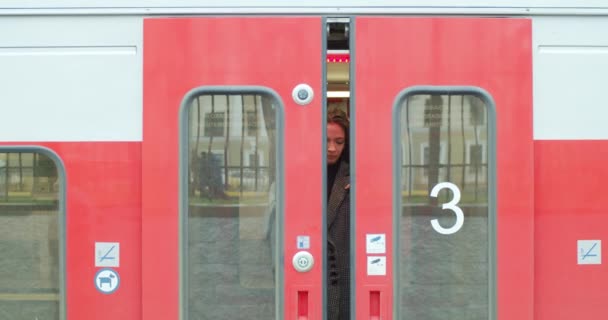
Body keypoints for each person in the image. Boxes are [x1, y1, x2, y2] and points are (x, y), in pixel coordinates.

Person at [326, 108, 350, 320]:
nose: (332, 148)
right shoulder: (296, 172)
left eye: (339, 141)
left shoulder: (353, 176)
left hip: (344, 276)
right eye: (325, 140)